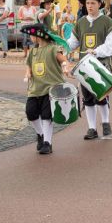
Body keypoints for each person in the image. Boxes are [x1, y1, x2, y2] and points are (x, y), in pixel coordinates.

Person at [67, 0, 112, 140]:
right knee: (87, 98)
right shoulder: (81, 22)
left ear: (99, 4)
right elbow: (73, 42)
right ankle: (92, 128)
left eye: (92, 3)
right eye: (87, 3)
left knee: (101, 96)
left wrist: (95, 51)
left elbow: (110, 46)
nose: (89, 6)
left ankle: (106, 123)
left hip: (100, 64)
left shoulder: (107, 22)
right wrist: (63, 46)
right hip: (84, 66)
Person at [23, 23, 70, 154]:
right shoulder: (33, 51)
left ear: (38, 36)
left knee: (46, 116)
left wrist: (65, 66)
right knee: (30, 113)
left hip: (51, 88)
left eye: (31, 35)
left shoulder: (53, 48)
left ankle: (47, 143)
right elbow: (28, 65)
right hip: (35, 89)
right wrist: (28, 72)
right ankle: (40, 134)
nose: (30, 37)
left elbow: (63, 59)